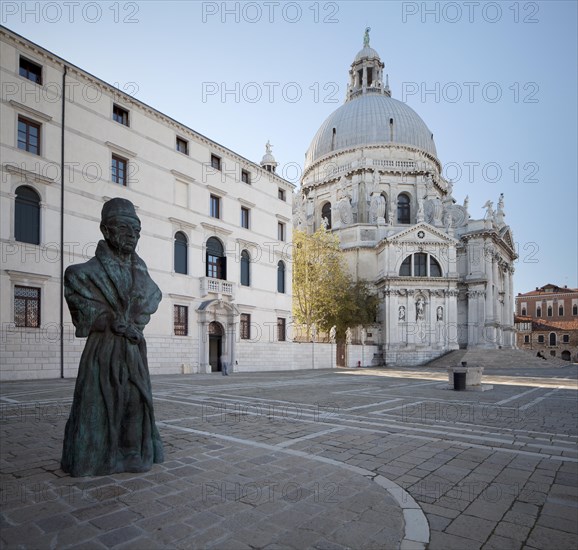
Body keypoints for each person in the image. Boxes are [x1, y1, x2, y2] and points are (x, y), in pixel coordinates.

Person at [61, 198, 164, 476]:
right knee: (99, 406)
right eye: (124, 227)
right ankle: (96, 457)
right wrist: (107, 319)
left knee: (134, 405)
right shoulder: (81, 275)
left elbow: (149, 303)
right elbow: (84, 314)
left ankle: (132, 453)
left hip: (133, 351)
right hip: (102, 352)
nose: (132, 235)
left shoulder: (146, 280)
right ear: (106, 230)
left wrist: (131, 325)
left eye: (137, 230)